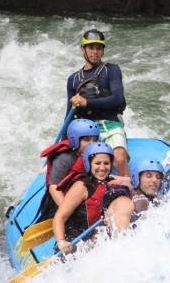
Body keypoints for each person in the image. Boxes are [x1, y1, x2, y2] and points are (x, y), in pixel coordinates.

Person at [65, 29, 129, 177]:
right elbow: (69, 114)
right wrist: (61, 146)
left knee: (119, 160)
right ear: (83, 49)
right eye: (91, 48)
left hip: (111, 123)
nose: (95, 52)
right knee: (80, 167)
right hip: (86, 129)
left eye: (99, 48)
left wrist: (86, 102)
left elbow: (117, 99)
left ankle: (129, 192)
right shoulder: (73, 79)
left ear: (103, 51)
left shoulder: (111, 70)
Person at [53, 142, 125, 254]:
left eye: (106, 163)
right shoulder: (81, 186)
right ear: (89, 164)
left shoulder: (109, 181)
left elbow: (131, 181)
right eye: (97, 163)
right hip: (74, 244)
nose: (102, 168)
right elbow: (59, 217)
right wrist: (61, 241)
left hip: (96, 244)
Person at [37, 119, 99, 222]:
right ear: (75, 140)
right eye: (87, 140)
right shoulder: (65, 158)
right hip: (60, 200)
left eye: (94, 140)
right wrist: (67, 211)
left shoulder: (95, 155)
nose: (91, 144)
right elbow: (54, 187)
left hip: (80, 194)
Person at [104, 159, 165, 236]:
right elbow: (119, 241)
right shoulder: (124, 203)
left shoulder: (158, 199)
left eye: (158, 177)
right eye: (149, 176)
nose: (154, 180)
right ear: (137, 178)